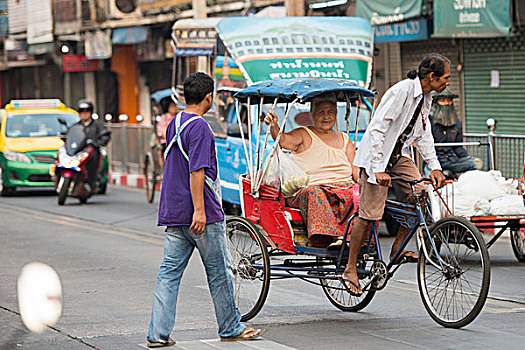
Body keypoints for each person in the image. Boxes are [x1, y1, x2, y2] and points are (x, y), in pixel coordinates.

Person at [146, 72, 263, 348]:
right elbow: (197, 170)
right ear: (209, 98)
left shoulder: (175, 122)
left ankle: (158, 334)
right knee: (220, 273)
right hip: (201, 215)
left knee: (169, 274)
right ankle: (230, 327)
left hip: (174, 213)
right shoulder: (200, 127)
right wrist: (200, 210)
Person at [344, 54, 448, 296]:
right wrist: (378, 168)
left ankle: (397, 249)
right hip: (376, 157)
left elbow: (423, 135)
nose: (447, 83)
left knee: (421, 195)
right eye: (445, 78)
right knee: (369, 214)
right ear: (431, 77)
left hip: (398, 155)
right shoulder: (402, 91)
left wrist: (434, 166)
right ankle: (350, 268)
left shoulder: (426, 97)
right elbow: (378, 128)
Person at [264, 94, 360, 248]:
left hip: (343, 188)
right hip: (310, 191)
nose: (326, 117)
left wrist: (366, 183)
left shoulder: (344, 139)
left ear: (336, 114)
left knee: (360, 193)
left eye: (330, 112)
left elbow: (355, 168)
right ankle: (331, 237)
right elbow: (282, 141)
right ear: (312, 115)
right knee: (314, 192)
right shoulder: (303, 134)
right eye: (321, 112)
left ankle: (351, 238)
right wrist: (274, 125)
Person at [430, 88, 482, 175]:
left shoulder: (457, 122)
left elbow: (457, 146)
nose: (446, 103)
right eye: (442, 100)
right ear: (436, 102)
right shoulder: (428, 121)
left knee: (477, 163)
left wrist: (466, 156)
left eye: (449, 100)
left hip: (452, 161)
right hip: (434, 162)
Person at [75, 100, 110, 191]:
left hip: (92, 150)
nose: (84, 114)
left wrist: (98, 142)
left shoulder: (98, 125)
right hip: (79, 151)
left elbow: (105, 134)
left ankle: (91, 180)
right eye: (82, 111)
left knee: (94, 157)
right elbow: (70, 135)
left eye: (87, 111)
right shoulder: (76, 125)